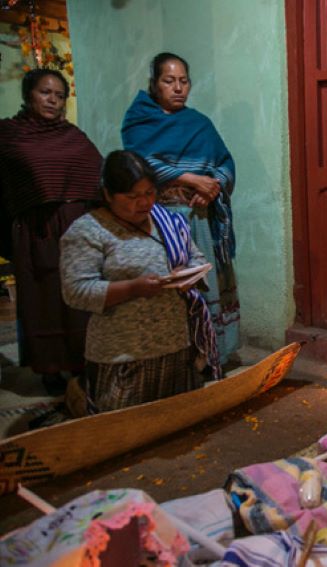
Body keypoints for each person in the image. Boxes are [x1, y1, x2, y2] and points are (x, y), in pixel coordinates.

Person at [60, 150, 219, 412]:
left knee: (176, 422)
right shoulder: (88, 231)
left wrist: (190, 276)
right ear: (108, 194)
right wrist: (133, 288)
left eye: (149, 193)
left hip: (176, 346)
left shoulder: (167, 221)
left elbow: (195, 257)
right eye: (132, 196)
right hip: (123, 354)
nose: (143, 203)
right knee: (123, 433)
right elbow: (76, 291)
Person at [121, 52, 240, 366]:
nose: (178, 88)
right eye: (169, 80)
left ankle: (211, 352)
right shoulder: (139, 121)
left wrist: (211, 188)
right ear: (154, 84)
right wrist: (191, 179)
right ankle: (175, 356)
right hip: (159, 221)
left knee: (205, 283)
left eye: (183, 81)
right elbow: (139, 163)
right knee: (171, 288)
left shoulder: (199, 123)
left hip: (201, 220)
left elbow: (225, 163)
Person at [0, 68, 102, 395]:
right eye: (46, 93)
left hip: (77, 227)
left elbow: (99, 176)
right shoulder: (9, 134)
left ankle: (80, 363)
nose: (53, 100)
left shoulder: (73, 135)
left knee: (79, 297)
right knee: (42, 298)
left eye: (59, 95)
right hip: (36, 230)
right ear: (29, 94)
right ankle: (49, 368)